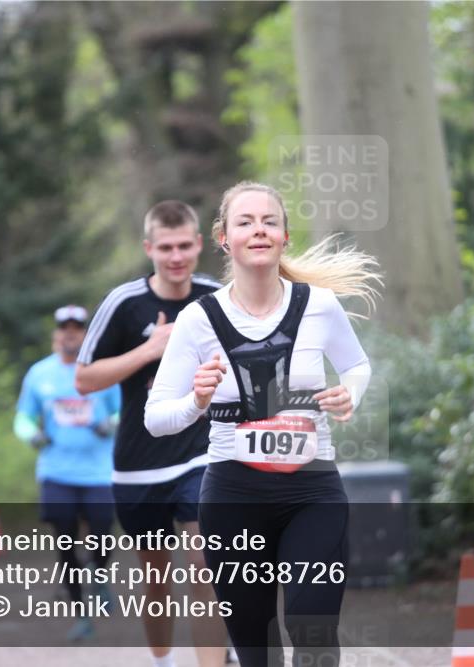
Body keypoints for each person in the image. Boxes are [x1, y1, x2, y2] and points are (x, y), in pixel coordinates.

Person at [144, 181, 380, 666]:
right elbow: (155, 419)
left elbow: (357, 366)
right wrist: (197, 399)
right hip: (233, 497)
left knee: (312, 630)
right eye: (245, 222)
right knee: (257, 649)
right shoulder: (198, 320)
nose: (259, 230)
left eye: (269, 221)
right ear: (224, 238)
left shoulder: (319, 305)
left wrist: (348, 393)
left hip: (313, 493)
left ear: (285, 236)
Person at [75, 200, 227, 667]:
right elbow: (84, 379)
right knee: (156, 579)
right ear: (149, 249)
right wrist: (149, 350)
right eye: (166, 247)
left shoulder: (217, 297)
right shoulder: (124, 303)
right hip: (140, 464)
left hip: (203, 455)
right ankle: (162, 660)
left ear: (199, 244)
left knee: (205, 567)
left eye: (185, 245)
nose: (176, 256)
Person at [14, 304, 120, 641]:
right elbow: (23, 418)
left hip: (99, 472)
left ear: (87, 334)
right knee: (65, 543)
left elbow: (126, 410)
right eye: (64, 328)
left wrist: (111, 423)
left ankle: (99, 576)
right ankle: (81, 614)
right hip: (56, 470)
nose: (70, 333)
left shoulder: (102, 371)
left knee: (102, 532)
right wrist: (32, 434)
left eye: (77, 327)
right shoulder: (39, 374)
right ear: (55, 335)